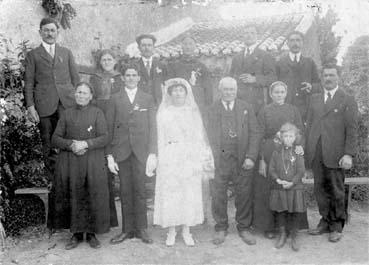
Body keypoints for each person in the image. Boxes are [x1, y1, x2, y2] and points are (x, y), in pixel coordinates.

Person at [24, 17, 80, 230]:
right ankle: (54, 182)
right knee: (48, 144)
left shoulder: (66, 53)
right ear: (40, 32)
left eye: (53, 30)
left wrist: (78, 104)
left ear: (58, 32)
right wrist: (30, 106)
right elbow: (29, 82)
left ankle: (70, 177)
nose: (50, 33)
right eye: (46, 30)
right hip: (44, 105)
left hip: (66, 104)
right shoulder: (33, 55)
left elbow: (75, 80)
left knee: (68, 141)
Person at [153, 78, 214, 247]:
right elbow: (160, 137)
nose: (178, 93)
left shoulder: (192, 112)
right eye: (175, 90)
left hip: (189, 156)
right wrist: (160, 158)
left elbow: (199, 137)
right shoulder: (164, 113)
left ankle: (187, 230)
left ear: (186, 93)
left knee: (188, 192)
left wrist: (198, 159)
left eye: (181, 90)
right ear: (170, 93)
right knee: (171, 192)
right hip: (170, 155)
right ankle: (171, 230)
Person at [51, 82, 110, 249]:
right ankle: (76, 234)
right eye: (79, 92)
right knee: (75, 194)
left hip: (92, 160)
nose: (81, 96)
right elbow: (55, 138)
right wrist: (72, 145)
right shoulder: (67, 113)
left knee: (91, 193)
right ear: (74, 94)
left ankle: (91, 234)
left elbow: (105, 137)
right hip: (72, 162)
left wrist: (86, 143)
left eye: (85, 93)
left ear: (91, 96)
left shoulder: (97, 113)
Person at [306, 64, 358, 242]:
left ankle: (336, 225)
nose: (328, 78)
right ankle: (325, 220)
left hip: (336, 154)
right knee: (319, 188)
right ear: (322, 78)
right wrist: (307, 150)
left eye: (332, 75)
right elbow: (309, 125)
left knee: (336, 189)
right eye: (325, 75)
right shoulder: (314, 98)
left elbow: (352, 129)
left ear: (338, 77)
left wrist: (349, 154)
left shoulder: (347, 99)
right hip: (317, 152)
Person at [207, 77, 262, 245]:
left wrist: (251, 157)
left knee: (244, 194)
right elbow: (205, 136)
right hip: (219, 160)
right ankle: (221, 227)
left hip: (242, 159)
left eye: (232, 89)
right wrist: (208, 158)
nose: (229, 92)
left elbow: (255, 133)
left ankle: (244, 227)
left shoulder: (246, 107)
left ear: (236, 91)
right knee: (218, 194)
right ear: (220, 90)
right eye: (226, 89)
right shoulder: (211, 109)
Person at [107, 65, 157, 245]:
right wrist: (110, 155)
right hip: (122, 151)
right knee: (125, 190)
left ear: (138, 78)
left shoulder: (147, 98)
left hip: (141, 151)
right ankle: (127, 229)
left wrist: (152, 152)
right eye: (127, 75)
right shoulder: (114, 99)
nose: (130, 77)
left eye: (134, 75)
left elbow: (153, 127)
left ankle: (142, 228)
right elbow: (110, 127)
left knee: (141, 190)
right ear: (123, 78)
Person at [253, 81, 307, 238]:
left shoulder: (293, 110)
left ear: (286, 93)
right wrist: (262, 159)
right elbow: (259, 135)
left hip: (290, 153)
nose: (279, 95)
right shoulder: (264, 110)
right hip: (271, 152)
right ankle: (270, 227)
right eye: (276, 92)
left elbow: (300, 132)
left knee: (290, 188)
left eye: (282, 92)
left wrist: (299, 146)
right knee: (270, 189)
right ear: (271, 94)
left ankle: (290, 227)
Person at [89, 49, 124, 228]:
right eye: (104, 59)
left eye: (110, 59)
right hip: (99, 114)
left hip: (115, 115)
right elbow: (91, 97)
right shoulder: (95, 77)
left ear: (115, 61)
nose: (107, 62)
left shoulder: (120, 78)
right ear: (100, 62)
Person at [268, 122, 307, 251]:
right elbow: (271, 169)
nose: (288, 139)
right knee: (281, 211)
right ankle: (282, 234)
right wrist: (277, 179)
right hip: (280, 187)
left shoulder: (298, 152)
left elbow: (301, 170)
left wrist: (292, 182)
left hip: (294, 187)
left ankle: (294, 235)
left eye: (291, 136)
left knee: (295, 211)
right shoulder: (276, 152)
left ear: (295, 137)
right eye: (285, 136)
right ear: (281, 137)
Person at [229, 25, 276, 115]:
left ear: (257, 36)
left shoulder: (265, 55)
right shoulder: (237, 57)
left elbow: (272, 78)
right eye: (246, 33)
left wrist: (255, 79)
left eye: (252, 33)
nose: (249, 35)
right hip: (238, 100)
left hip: (256, 102)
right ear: (242, 36)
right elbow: (231, 77)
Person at [276, 31, 320, 122]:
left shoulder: (309, 63)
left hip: (305, 108)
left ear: (302, 43)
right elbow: (274, 85)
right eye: (292, 40)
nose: (295, 43)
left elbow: (319, 84)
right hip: (285, 107)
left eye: (298, 40)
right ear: (287, 43)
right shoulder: (280, 63)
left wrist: (311, 87)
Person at [167, 36, 213, 116]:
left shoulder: (201, 66)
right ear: (181, 46)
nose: (188, 47)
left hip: (197, 104)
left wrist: (207, 107)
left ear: (195, 46)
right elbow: (169, 87)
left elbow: (208, 88)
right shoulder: (173, 66)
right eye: (185, 44)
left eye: (190, 44)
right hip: (179, 104)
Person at [135, 34, 167, 105]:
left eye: (149, 45)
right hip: (140, 104)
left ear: (153, 47)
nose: (147, 48)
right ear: (139, 48)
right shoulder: (134, 66)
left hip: (158, 104)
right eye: (143, 45)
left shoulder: (161, 65)